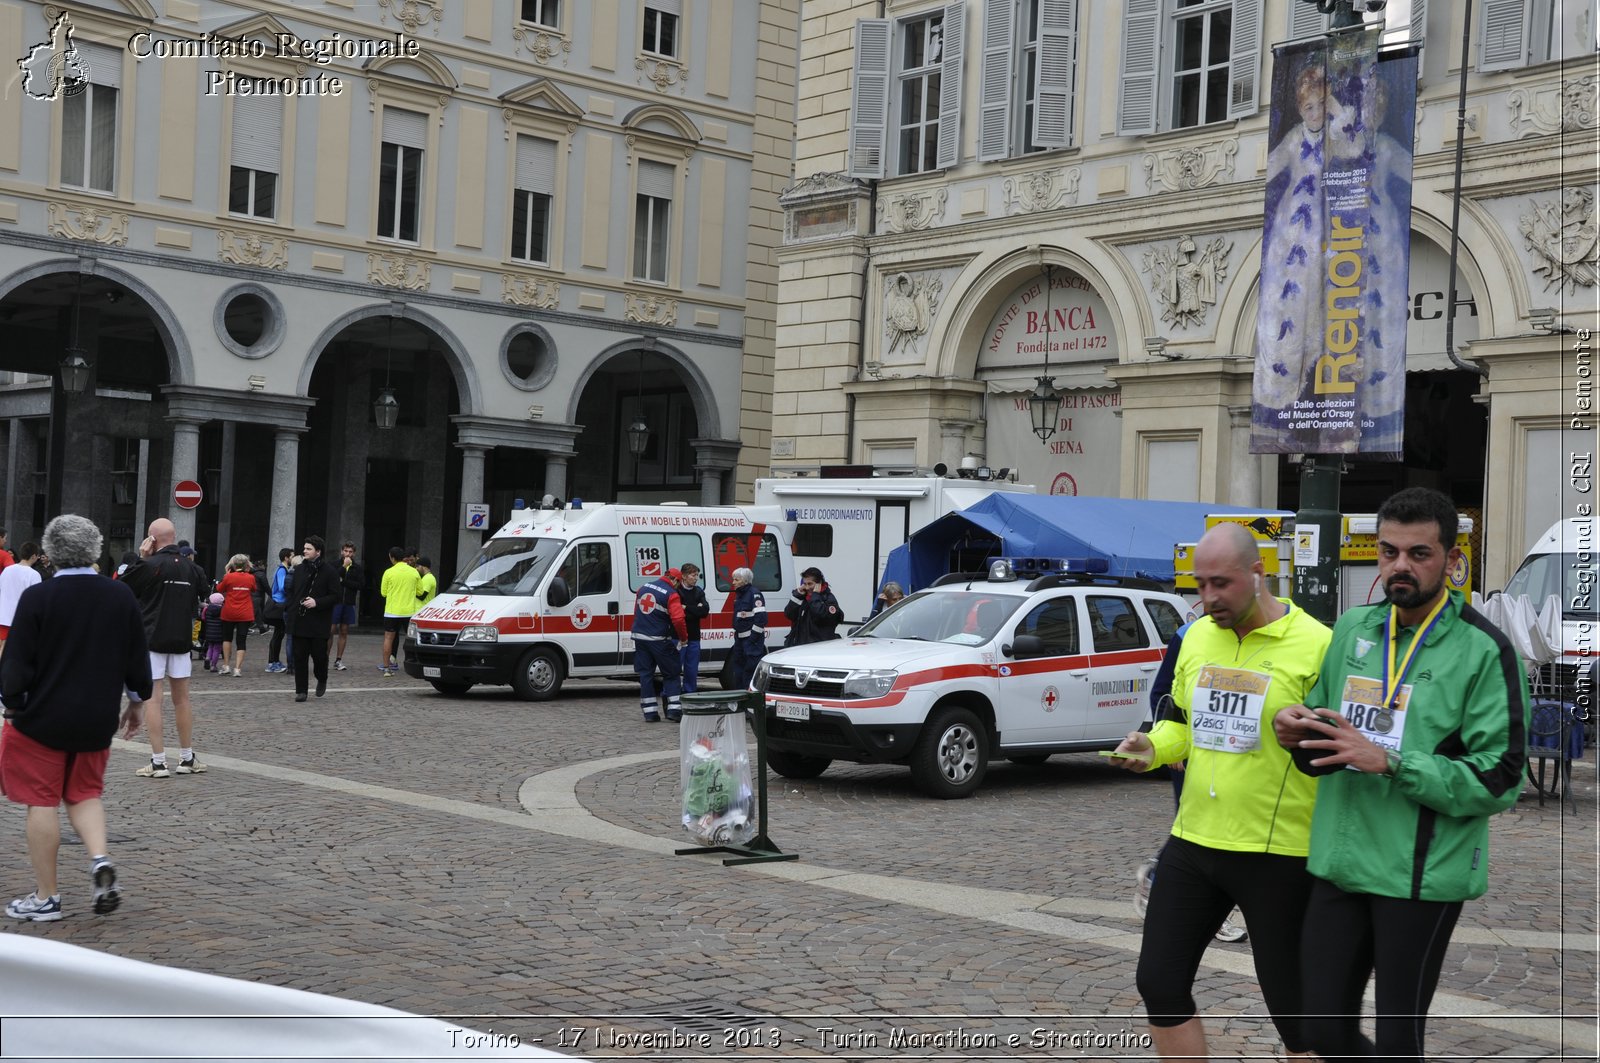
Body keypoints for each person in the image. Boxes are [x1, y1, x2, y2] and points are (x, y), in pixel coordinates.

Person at [1273, 488, 1529, 1062]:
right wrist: (1296, 729)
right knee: (1317, 1031)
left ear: (1451, 559)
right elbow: (1325, 732)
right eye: (1388, 552)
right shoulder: (1354, 630)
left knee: (1396, 1043)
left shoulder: (1485, 651)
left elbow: (1501, 777)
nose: (1400, 567)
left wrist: (1391, 761)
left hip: (1420, 876)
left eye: (1419, 554)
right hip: (1340, 862)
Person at [1111, 523, 1331, 1060]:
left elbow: (1337, 748)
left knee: (1297, 1015)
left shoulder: (1318, 644)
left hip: (1277, 851)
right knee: (1158, 983)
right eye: (1199, 584)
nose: (1208, 598)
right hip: (1195, 840)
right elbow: (1183, 724)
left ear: (1258, 575)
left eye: (1221, 584)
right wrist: (1152, 745)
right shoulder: (1195, 638)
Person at [0, 514, 151, 921]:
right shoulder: (119, 597)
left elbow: (16, 661)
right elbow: (137, 656)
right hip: (96, 716)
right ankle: (100, 858)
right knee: (85, 794)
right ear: (96, 551)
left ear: (49, 555)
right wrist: (137, 703)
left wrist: (11, 703)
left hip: (40, 717)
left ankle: (47, 896)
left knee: (41, 801)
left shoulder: (39, 597)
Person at [120, 517, 210, 779]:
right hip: (181, 640)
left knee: (153, 700)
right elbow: (203, 592)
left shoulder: (149, 564)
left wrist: (141, 557)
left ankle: (159, 762)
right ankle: (186, 757)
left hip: (152, 639)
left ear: (151, 539)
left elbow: (124, 586)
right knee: (182, 700)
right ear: (174, 536)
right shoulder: (192, 568)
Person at [286, 535, 340, 702]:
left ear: (318, 551)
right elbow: (292, 592)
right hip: (300, 620)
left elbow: (336, 596)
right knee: (299, 656)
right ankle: (301, 691)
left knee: (319, 657)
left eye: (308, 549)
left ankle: (322, 678)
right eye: (304, 548)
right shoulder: (300, 569)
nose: (305, 551)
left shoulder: (329, 571)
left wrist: (317, 602)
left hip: (319, 621)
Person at [633, 567, 687, 722]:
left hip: (640, 637)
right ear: (675, 580)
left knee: (645, 675)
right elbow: (678, 619)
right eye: (679, 582)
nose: (679, 586)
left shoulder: (643, 588)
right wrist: (683, 638)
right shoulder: (671, 594)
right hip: (659, 640)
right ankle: (674, 711)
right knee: (671, 673)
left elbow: (637, 612)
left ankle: (650, 713)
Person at [379, 546, 421, 678]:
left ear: (392, 557)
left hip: (392, 611)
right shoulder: (414, 572)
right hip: (409, 611)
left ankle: (387, 668)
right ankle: (416, 665)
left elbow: (383, 593)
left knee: (388, 639)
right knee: (413, 639)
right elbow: (420, 591)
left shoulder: (388, 572)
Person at [216, 553, 257, 677]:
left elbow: (219, 589)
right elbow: (254, 589)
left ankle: (226, 665)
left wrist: (226, 575)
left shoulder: (228, 577)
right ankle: (237, 668)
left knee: (227, 638)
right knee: (241, 640)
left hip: (229, 611)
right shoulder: (250, 578)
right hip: (245, 612)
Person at [0, 541, 43, 658]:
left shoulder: (7, 570)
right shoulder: (34, 574)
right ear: (33, 556)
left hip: (3, 615)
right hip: (20, 618)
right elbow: (36, 599)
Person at [784, 567, 843, 647]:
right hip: (799, 647)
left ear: (819, 583)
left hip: (818, 647)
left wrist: (815, 595)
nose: (807, 588)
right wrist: (797, 595)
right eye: (805, 584)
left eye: (810, 584)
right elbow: (789, 614)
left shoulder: (828, 599)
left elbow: (820, 615)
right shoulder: (804, 597)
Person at [729, 567, 767, 690]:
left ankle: (750, 701)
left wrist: (752, 639)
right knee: (738, 672)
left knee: (750, 672)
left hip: (751, 642)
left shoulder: (754, 594)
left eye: (736, 579)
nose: (733, 582)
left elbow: (760, 619)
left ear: (745, 581)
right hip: (740, 640)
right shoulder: (740, 595)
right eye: (733, 579)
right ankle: (740, 698)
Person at [329, 541, 363, 672]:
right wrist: (343, 566)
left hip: (349, 602)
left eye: (350, 552)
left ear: (354, 553)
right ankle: (325, 657)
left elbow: (360, 585)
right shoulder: (334, 565)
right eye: (346, 551)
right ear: (342, 551)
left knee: (344, 631)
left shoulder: (357, 568)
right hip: (335, 602)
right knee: (330, 630)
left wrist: (345, 582)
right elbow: (333, 580)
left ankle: (338, 659)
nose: (348, 554)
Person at [677, 563, 709, 693]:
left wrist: (687, 608)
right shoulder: (677, 590)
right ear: (684, 576)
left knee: (692, 668)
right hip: (678, 637)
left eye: (697, 575)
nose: (696, 578)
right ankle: (673, 694)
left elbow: (705, 611)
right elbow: (679, 613)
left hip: (694, 637)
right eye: (693, 575)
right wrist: (696, 609)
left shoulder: (698, 591)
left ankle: (690, 693)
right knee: (675, 667)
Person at [264, 548, 293, 674]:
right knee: (278, 634)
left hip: (279, 605)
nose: (293, 558)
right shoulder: (282, 570)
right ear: (286, 558)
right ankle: (272, 662)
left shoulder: (283, 569)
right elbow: (282, 587)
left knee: (279, 634)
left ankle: (274, 661)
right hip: (278, 605)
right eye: (292, 556)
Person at [199, 592, 225, 672]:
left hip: (209, 631)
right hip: (219, 633)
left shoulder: (206, 608)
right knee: (217, 649)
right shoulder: (223, 609)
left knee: (210, 647)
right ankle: (213, 666)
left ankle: (207, 658)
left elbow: (203, 618)